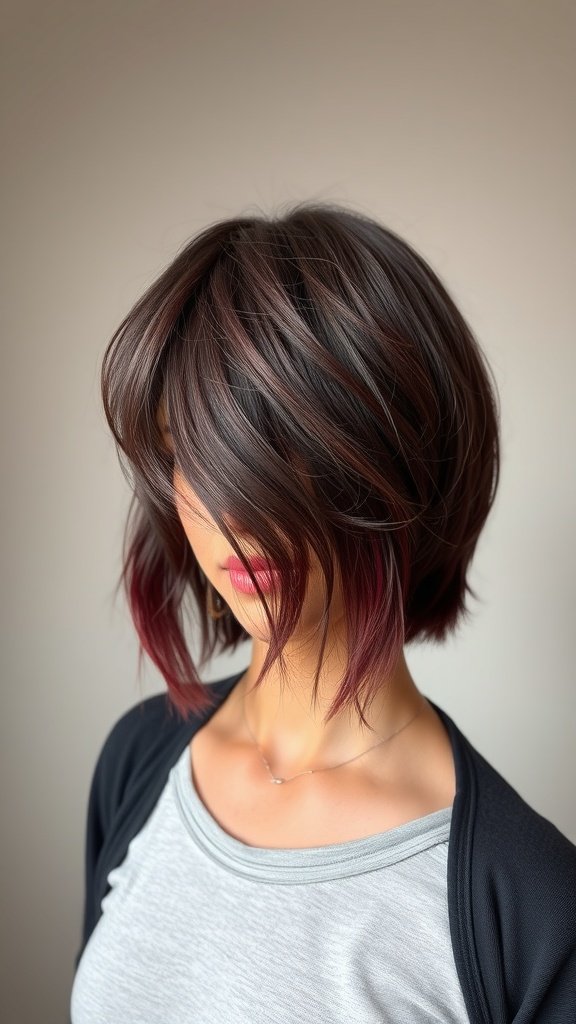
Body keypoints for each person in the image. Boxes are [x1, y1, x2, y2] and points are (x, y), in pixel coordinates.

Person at [70, 202, 576, 1023]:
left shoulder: (529, 909)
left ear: (402, 460)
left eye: (284, 447)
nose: (233, 512)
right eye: (188, 449)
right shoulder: (138, 761)